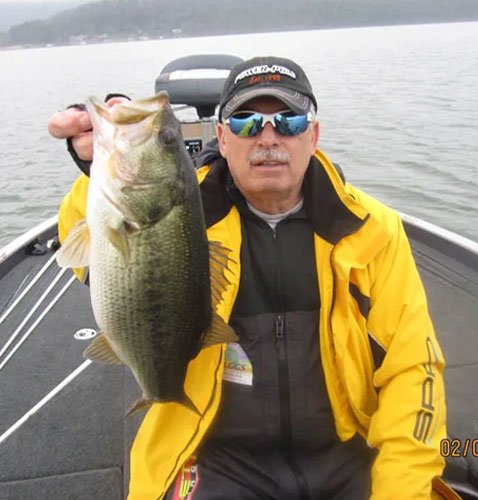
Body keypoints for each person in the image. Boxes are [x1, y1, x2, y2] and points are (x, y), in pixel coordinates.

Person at [49, 56, 457, 500]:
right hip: (215, 456)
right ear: (222, 139)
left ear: (313, 135)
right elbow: (95, 260)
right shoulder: (186, 217)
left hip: (347, 451)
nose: (268, 137)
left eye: (289, 120)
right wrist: (93, 172)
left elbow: (413, 370)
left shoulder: (371, 230)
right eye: (245, 122)